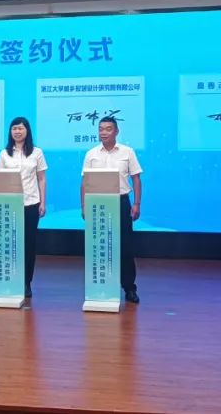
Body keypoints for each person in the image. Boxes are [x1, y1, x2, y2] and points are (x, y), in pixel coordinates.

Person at [80, 116, 143, 304]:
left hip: (121, 202)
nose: (104, 132)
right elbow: (85, 182)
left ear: (116, 131)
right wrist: (84, 205)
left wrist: (137, 204)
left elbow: (136, 179)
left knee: (125, 247)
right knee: (100, 246)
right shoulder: (91, 154)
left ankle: (129, 288)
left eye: (108, 129)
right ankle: (101, 286)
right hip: (97, 204)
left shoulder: (127, 152)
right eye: (101, 129)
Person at [0, 116, 47, 298]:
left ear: (27, 131)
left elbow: (41, 178)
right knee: (9, 243)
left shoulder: (37, 153)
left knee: (28, 244)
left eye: (20, 128)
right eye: (14, 128)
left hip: (31, 203)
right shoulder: (4, 154)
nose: (17, 131)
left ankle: (26, 282)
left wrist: (43, 202)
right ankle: (9, 279)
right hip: (9, 205)